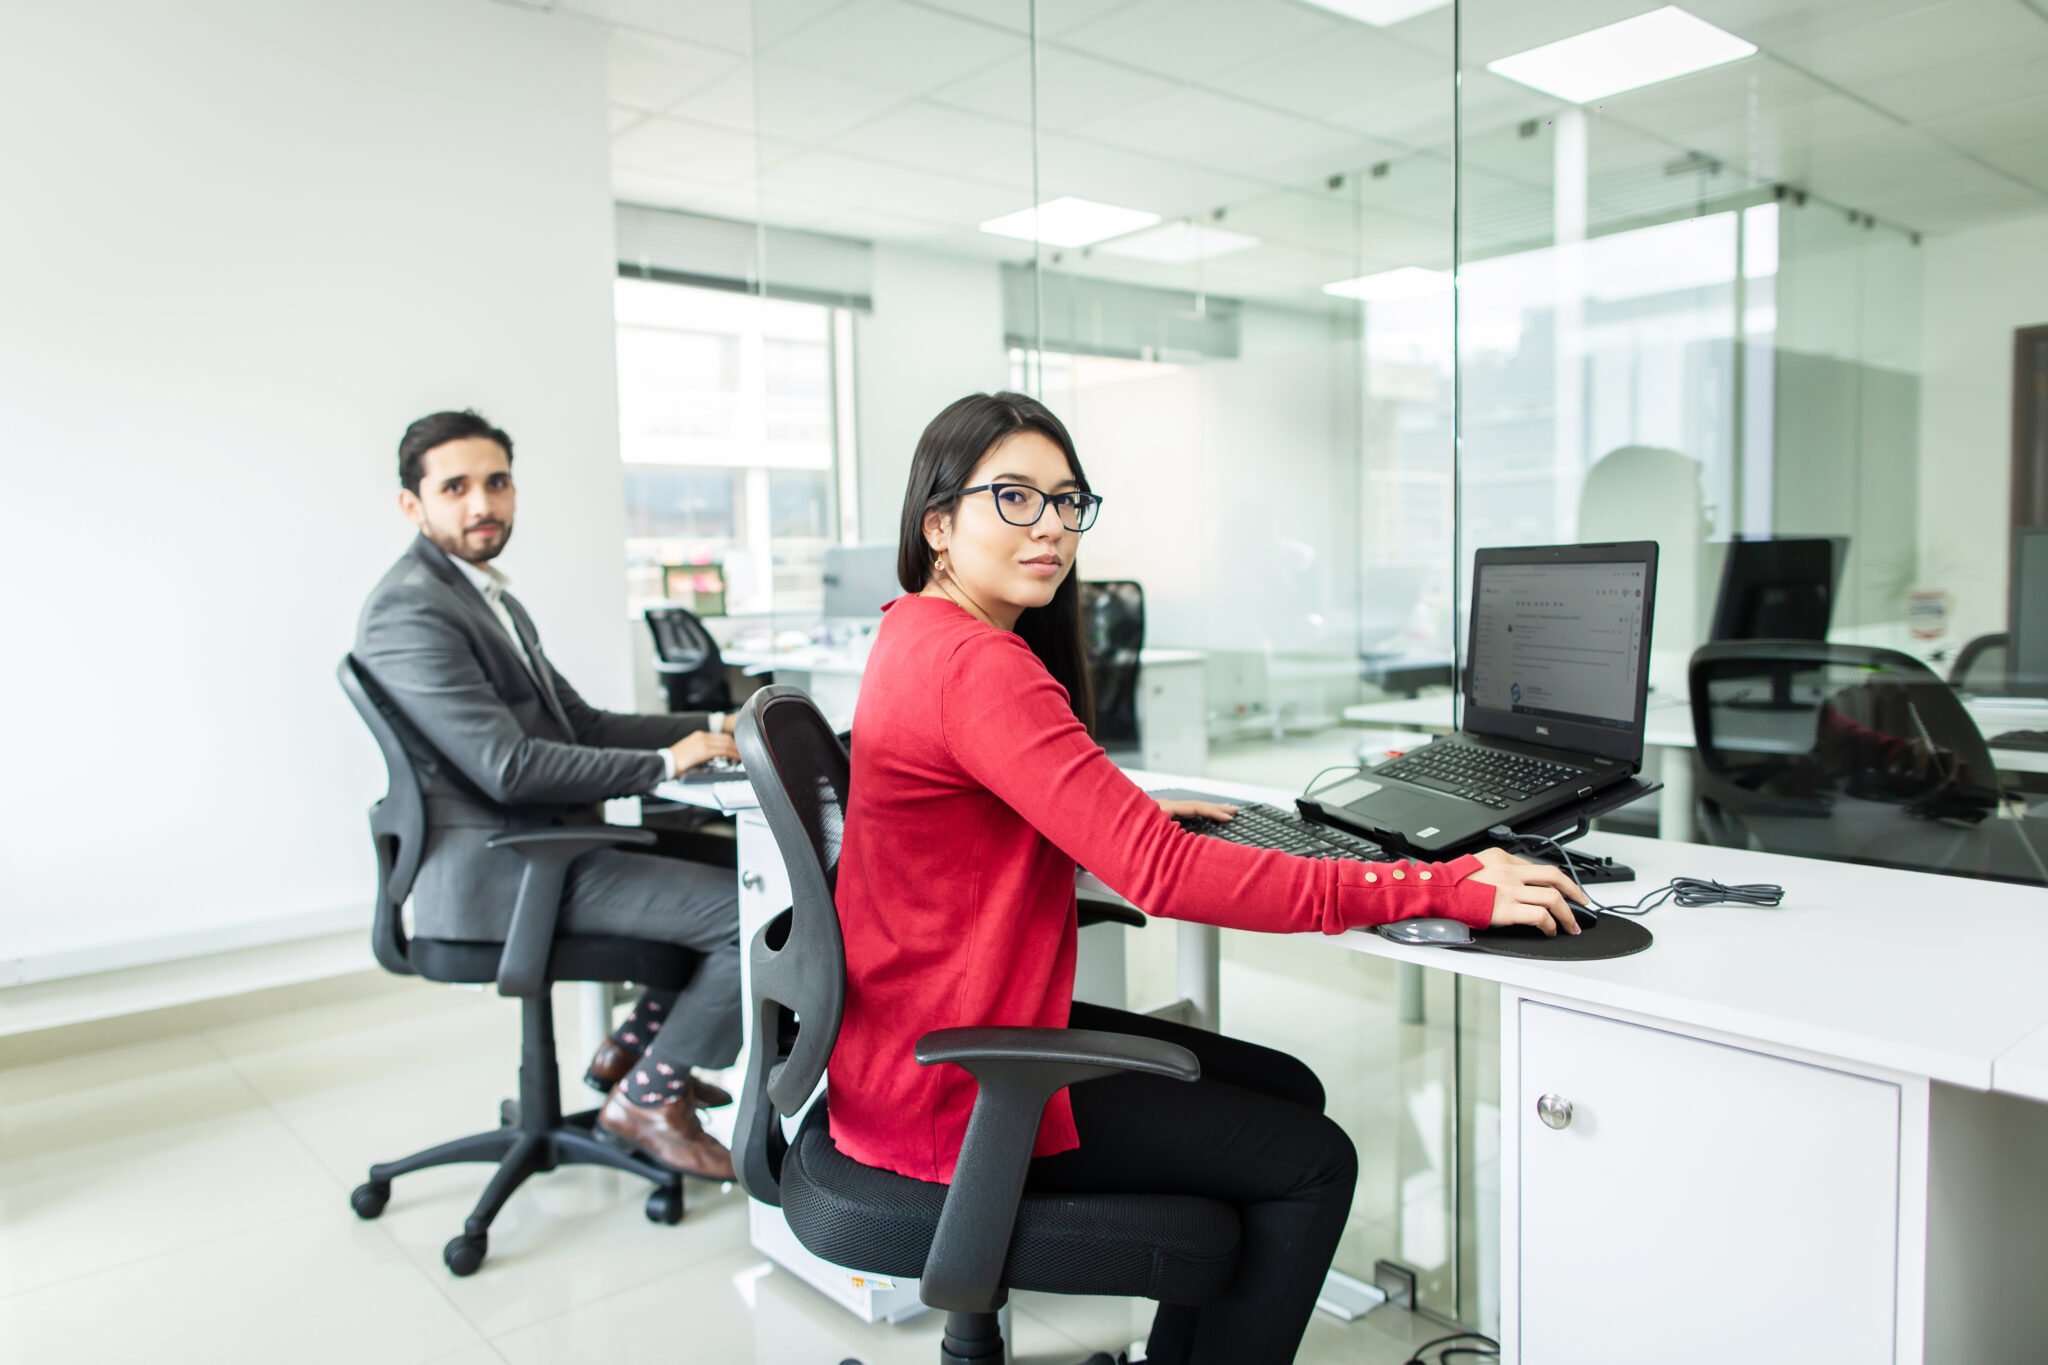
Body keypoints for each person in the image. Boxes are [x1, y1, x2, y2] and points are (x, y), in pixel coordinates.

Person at [830, 392, 1587, 1365]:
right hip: (958, 1090)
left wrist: (1115, 819)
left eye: (1068, 502)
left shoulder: (913, 632)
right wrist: (1437, 886)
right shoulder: (980, 664)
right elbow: (1164, 876)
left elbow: (976, 821)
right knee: (1312, 1162)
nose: (1052, 526)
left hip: (909, 1055)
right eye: (1014, 498)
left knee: (1287, 1090)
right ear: (937, 523)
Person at [356, 409, 742, 1180]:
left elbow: (585, 724)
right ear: (413, 504)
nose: (482, 504)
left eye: (496, 482)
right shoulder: (411, 608)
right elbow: (509, 767)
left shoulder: (486, 595)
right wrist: (668, 763)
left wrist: (715, 721)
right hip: (507, 869)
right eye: (456, 486)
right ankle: (649, 1095)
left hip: (544, 845)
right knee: (759, 913)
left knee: (746, 872)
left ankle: (636, 1052)